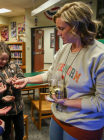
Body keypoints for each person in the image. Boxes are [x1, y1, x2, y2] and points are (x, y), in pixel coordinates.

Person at [14, 2, 104, 140]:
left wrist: (66, 102)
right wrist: (28, 80)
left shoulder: (99, 56)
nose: (58, 33)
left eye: (61, 28)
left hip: (82, 123)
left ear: (78, 27)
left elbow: (101, 103)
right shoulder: (64, 48)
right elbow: (51, 74)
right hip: (58, 115)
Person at [0, 41, 25, 140]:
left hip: (18, 106)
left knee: (20, 130)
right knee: (6, 132)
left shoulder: (13, 65)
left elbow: (22, 77)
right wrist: (6, 84)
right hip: (4, 109)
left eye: (6, 59)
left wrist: (18, 82)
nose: (4, 61)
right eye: (1, 59)